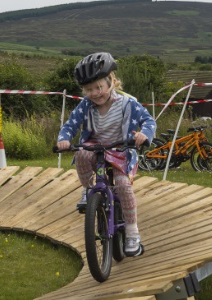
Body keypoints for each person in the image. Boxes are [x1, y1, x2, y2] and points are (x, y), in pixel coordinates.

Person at [56, 52, 156, 256]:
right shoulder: (86, 105)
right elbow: (70, 125)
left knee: (122, 185)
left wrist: (143, 135)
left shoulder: (127, 103)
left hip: (122, 149)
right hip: (96, 147)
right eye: (89, 89)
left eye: (98, 87)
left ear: (111, 82)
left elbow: (149, 121)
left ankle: (132, 233)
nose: (95, 93)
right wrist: (63, 139)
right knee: (82, 154)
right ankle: (87, 189)